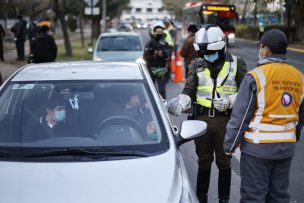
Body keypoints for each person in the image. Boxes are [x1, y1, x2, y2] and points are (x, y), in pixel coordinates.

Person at [167, 24, 247, 203]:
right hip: (201, 121)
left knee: (224, 162)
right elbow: (189, 89)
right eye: (203, 53)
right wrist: (182, 102)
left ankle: (223, 200)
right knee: (203, 161)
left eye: (210, 52)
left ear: (222, 46)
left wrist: (230, 100)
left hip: (226, 121)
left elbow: (246, 91)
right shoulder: (197, 63)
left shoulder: (237, 63)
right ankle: (201, 199)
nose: (207, 56)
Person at [224, 29, 304, 203]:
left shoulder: (256, 76)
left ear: (266, 49)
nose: (260, 50)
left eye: (261, 46)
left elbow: (241, 115)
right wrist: (292, 138)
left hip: (258, 150)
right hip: (285, 149)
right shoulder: (299, 77)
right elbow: (300, 115)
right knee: (279, 196)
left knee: (253, 196)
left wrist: (229, 146)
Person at [144, 22, 171, 99]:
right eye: (157, 32)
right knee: (151, 90)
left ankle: (163, 105)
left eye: (160, 32)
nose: (159, 33)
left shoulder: (165, 44)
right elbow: (145, 57)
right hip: (151, 69)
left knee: (162, 90)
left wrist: (163, 55)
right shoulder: (150, 44)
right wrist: (155, 54)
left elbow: (168, 57)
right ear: (154, 33)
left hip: (162, 70)